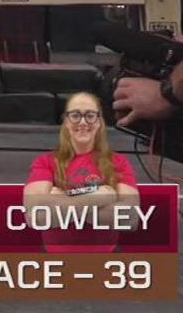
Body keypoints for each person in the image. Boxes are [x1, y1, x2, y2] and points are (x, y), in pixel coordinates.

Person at [23, 93, 141, 253]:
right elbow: (36, 217)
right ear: (66, 122)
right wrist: (99, 196)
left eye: (90, 116)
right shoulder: (46, 162)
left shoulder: (118, 162)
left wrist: (62, 199)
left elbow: (129, 219)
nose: (83, 122)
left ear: (99, 122)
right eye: (75, 115)